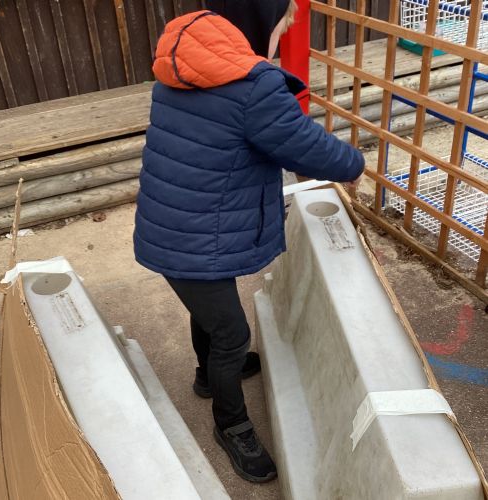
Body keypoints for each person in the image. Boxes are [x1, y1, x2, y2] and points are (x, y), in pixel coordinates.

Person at [133, 0, 364, 483]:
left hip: (178, 227)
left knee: (211, 308)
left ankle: (208, 375)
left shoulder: (183, 64)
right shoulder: (253, 88)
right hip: (194, 236)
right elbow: (304, 145)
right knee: (232, 335)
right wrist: (353, 164)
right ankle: (231, 425)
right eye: (282, 25)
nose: (281, 35)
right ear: (258, 21)